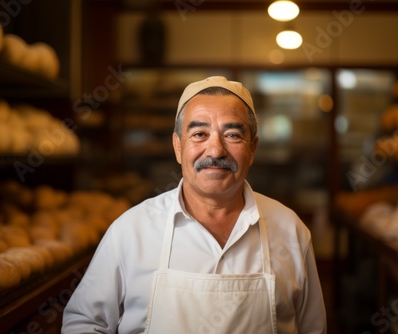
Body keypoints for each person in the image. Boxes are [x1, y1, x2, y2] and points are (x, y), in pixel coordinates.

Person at [62, 76, 327, 333]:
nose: (215, 151)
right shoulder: (131, 231)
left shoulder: (290, 230)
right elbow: (85, 323)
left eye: (233, 134)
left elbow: (313, 328)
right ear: (178, 146)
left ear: (253, 149)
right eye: (199, 133)